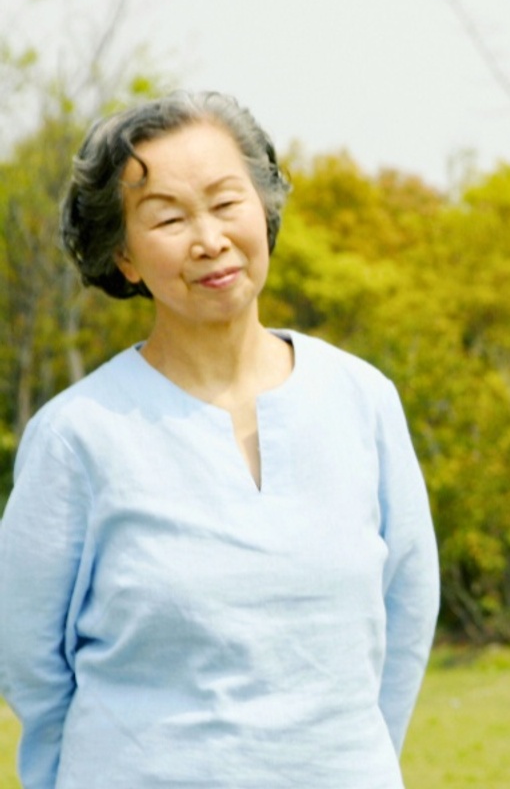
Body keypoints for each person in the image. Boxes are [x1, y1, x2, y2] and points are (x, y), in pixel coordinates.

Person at [0, 91, 440, 787]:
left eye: (226, 202)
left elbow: (407, 614)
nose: (209, 239)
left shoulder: (362, 400)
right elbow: (28, 660)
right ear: (124, 257)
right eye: (170, 218)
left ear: (263, 210)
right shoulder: (76, 436)